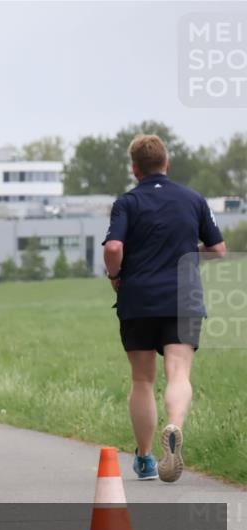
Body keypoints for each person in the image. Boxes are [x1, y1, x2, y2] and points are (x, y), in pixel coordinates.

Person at [103, 134, 226, 483]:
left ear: (134, 168)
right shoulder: (193, 199)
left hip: (139, 298)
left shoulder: (127, 203)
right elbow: (218, 250)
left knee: (142, 379)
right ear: (166, 164)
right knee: (179, 373)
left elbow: (113, 247)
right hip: (183, 298)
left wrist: (115, 275)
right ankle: (175, 426)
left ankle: (145, 459)